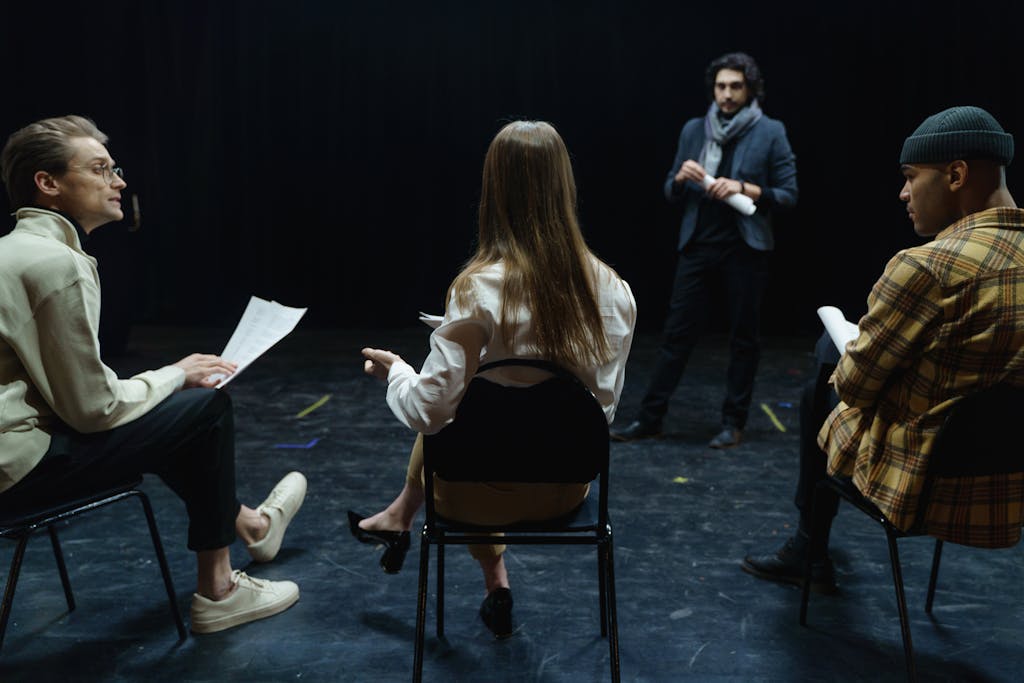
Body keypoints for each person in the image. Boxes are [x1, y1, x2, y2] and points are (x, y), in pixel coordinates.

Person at [0, 115, 308, 634]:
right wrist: (175, 374)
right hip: (18, 471)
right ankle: (220, 592)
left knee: (169, 411)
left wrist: (160, 386)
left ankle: (250, 524)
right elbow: (94, 411)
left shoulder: (11, 250)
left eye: (114, 168)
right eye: (100, 170)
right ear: (48, 184)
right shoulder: (57, 263)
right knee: (203, 408)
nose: (118, 182)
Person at [347, 120, 636, 638]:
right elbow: (602, 410)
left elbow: (427, 413)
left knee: (455, 421)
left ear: (493, 192)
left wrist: (399, 374)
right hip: (565, 491)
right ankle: (427, 537)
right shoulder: (613, 290)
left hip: (470, 495)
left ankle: (403, 519)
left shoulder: (476, 289)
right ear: (565, 188)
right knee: (481, 416)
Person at [742, 105, 1021, 592]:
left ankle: (810, 546)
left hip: (926, 484)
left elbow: (855, 387)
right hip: (1008, 486)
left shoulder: (926, 267)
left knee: (827, 367)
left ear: (955, 175)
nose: (903, 193)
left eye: (911, 177)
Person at [613, 52, 797, 448]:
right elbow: (670, 190)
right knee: (675, 335)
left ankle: (733, 422)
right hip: (698, 245)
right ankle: (650, 418)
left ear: (749, 90)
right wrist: (680, 178)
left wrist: (744, 187)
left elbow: (788, 194)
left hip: (745, 249)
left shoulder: (770, 131)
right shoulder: (695, 129)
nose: (727, 94)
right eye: (721, 86)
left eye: (735, 86)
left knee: (743, 339)